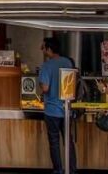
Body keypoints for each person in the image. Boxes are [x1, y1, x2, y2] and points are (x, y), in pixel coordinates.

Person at [39, 37, 76, 174]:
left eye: (43, 47)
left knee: (54, 142)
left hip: (52, 110)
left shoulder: (46, 66)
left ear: (49, 49)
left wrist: (40, 86)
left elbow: (45, 88)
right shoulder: (68, 62)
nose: (42, 50)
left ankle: (58, 170)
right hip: (66, 109)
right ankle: (72, 170)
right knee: (68, 142)